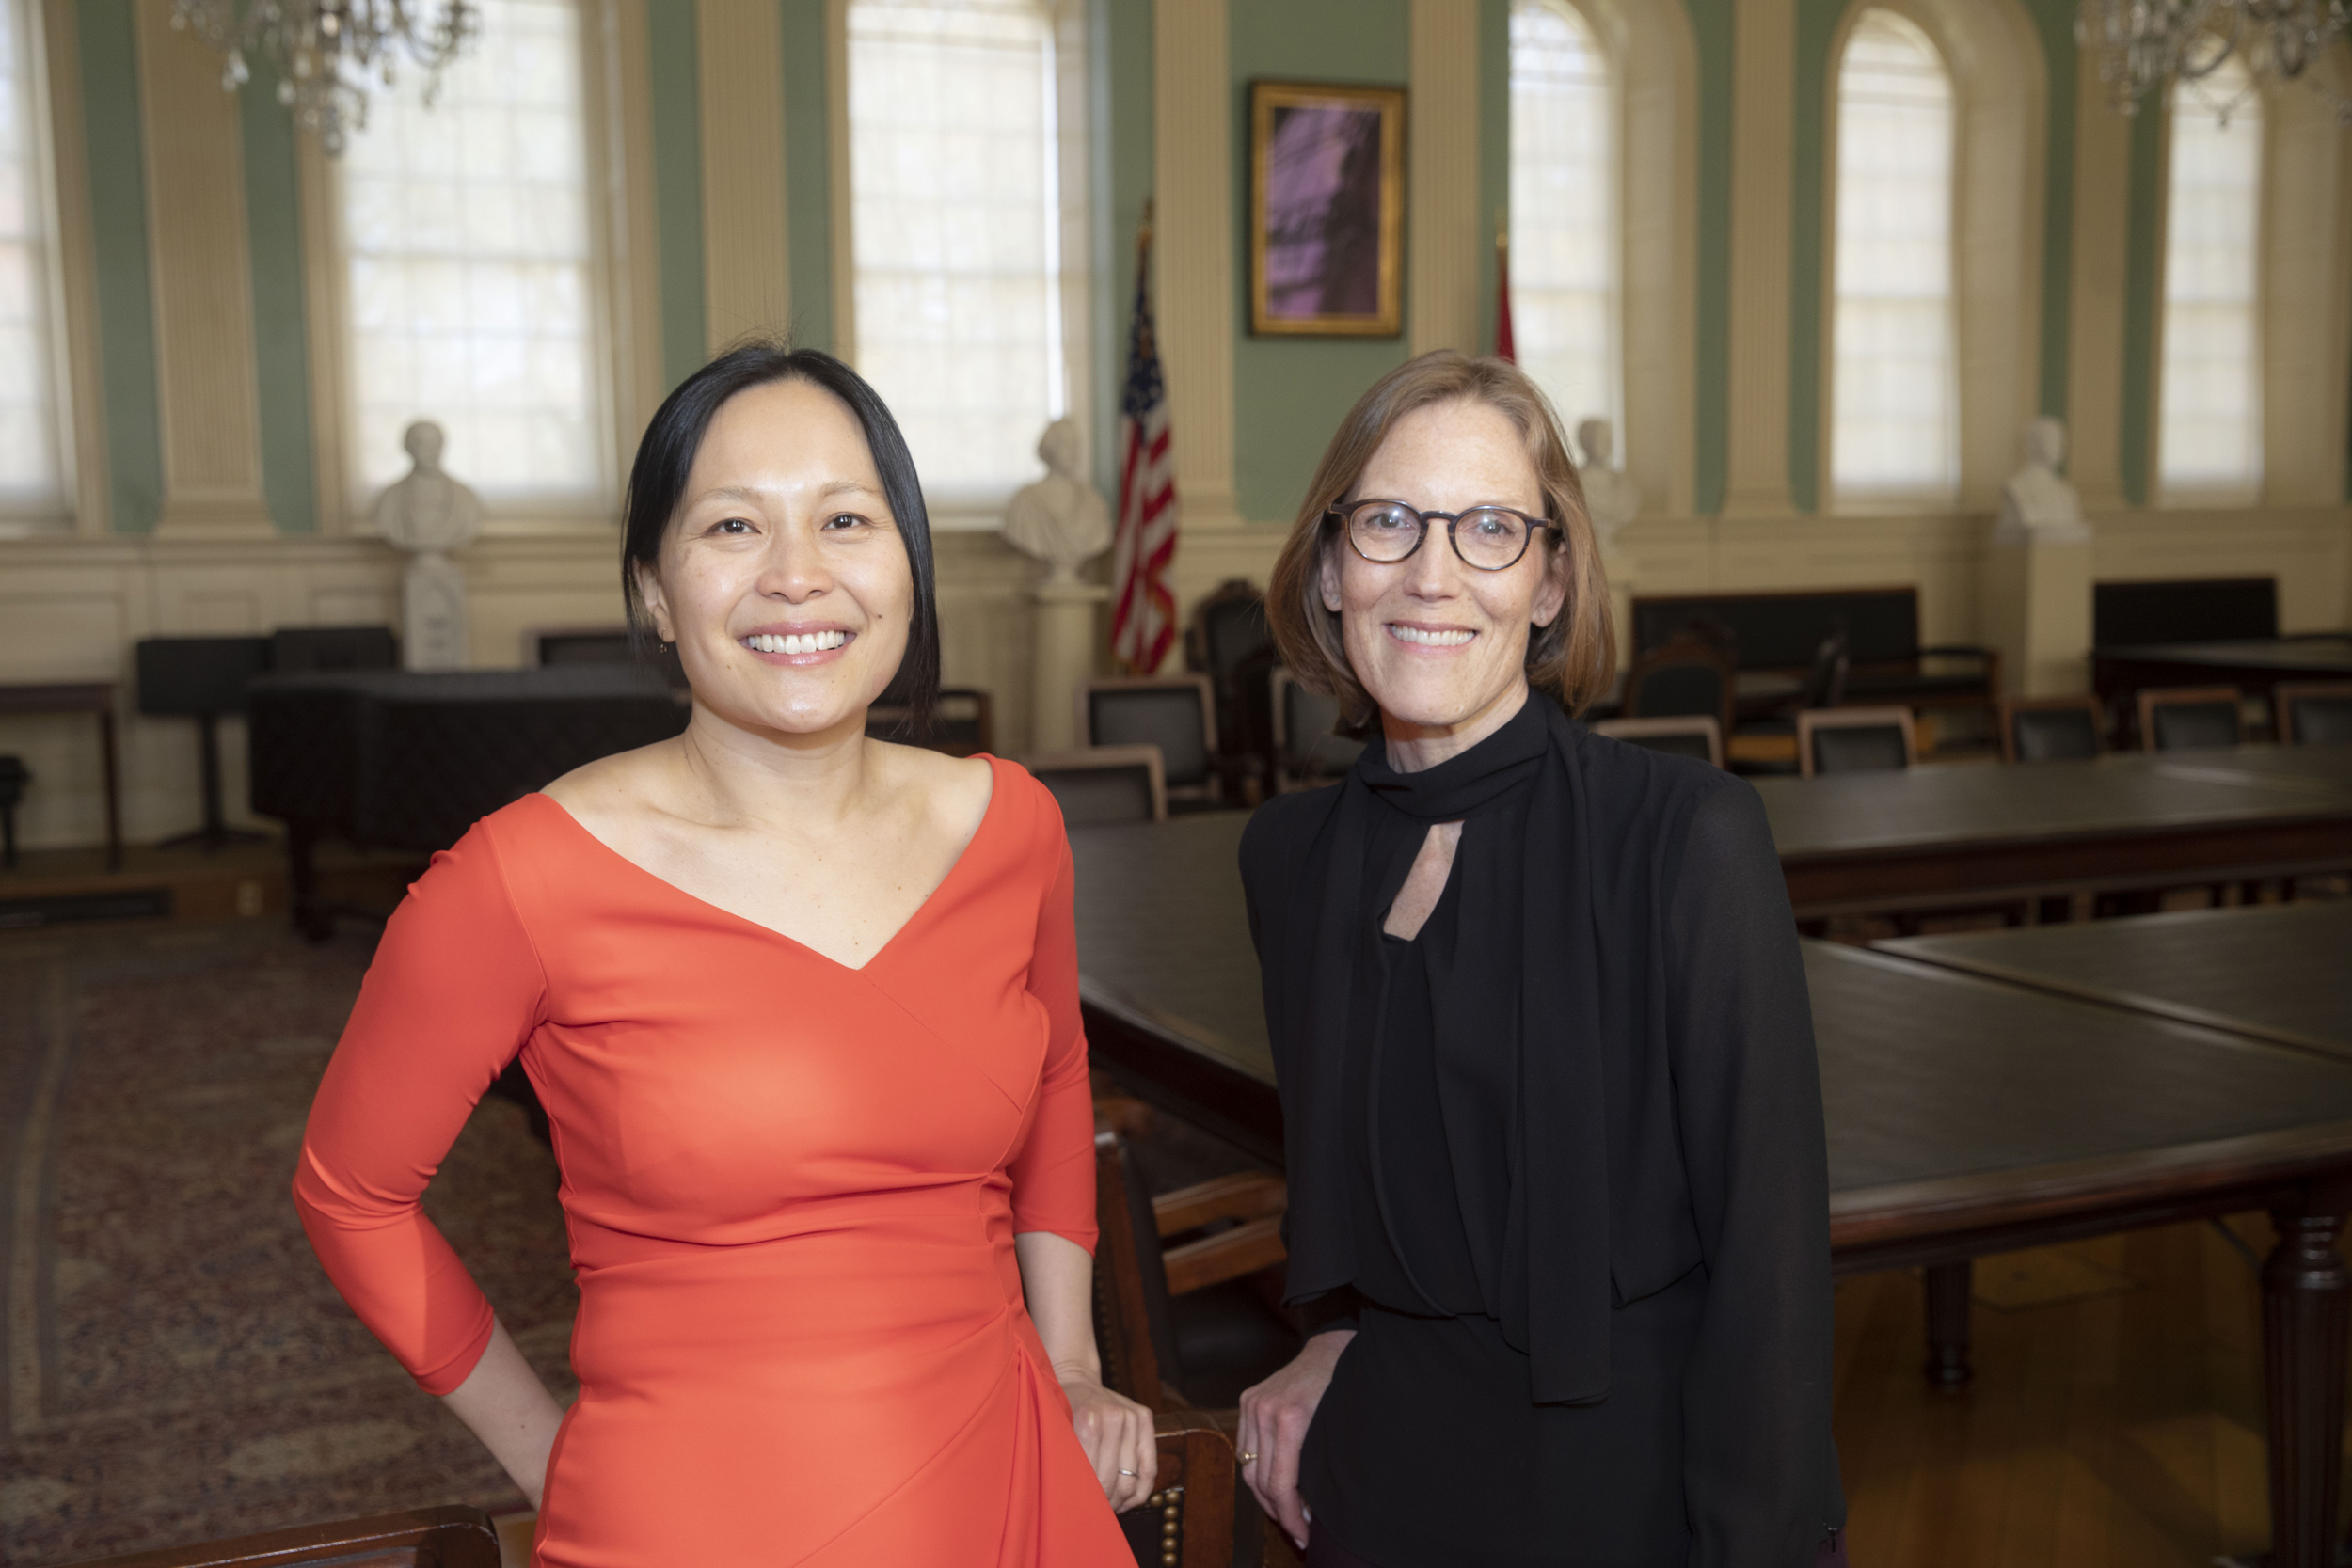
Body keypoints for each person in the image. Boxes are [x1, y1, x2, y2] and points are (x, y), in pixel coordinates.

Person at [294, 342, 1152, 1567]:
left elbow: (1057, 1076)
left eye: (846, 520)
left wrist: (1072, 1363)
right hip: (699, 1522)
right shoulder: (520, 879)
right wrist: (551, 1454)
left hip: (1011, 1484)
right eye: (735, 528)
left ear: (907, 564)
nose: (798, 576)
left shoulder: (1012, 826)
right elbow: (351, 1194)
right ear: (653, 590)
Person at [1232, 351, 1842, 1568]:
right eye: (1391, 521)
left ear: (1553, 580)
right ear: (1332, 563)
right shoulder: (1288, 856)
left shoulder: (1683, 837)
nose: (1432, 574)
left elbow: (1770, 1265)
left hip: (1629, 1489)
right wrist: (1329, 1336)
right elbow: (1360, 1185)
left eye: (1491, 530)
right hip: (1379, 1483)